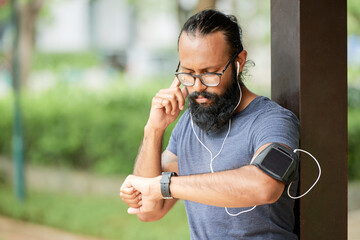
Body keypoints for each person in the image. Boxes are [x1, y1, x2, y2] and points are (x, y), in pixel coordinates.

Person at [120, 9, 300, 240]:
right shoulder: (187, 125)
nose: (197, 87)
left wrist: (165, 185)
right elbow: (148, 209)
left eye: (210, 73)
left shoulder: (273, 121)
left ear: (238, 62)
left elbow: (264, 184)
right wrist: (154, 130)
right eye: (188, 73)